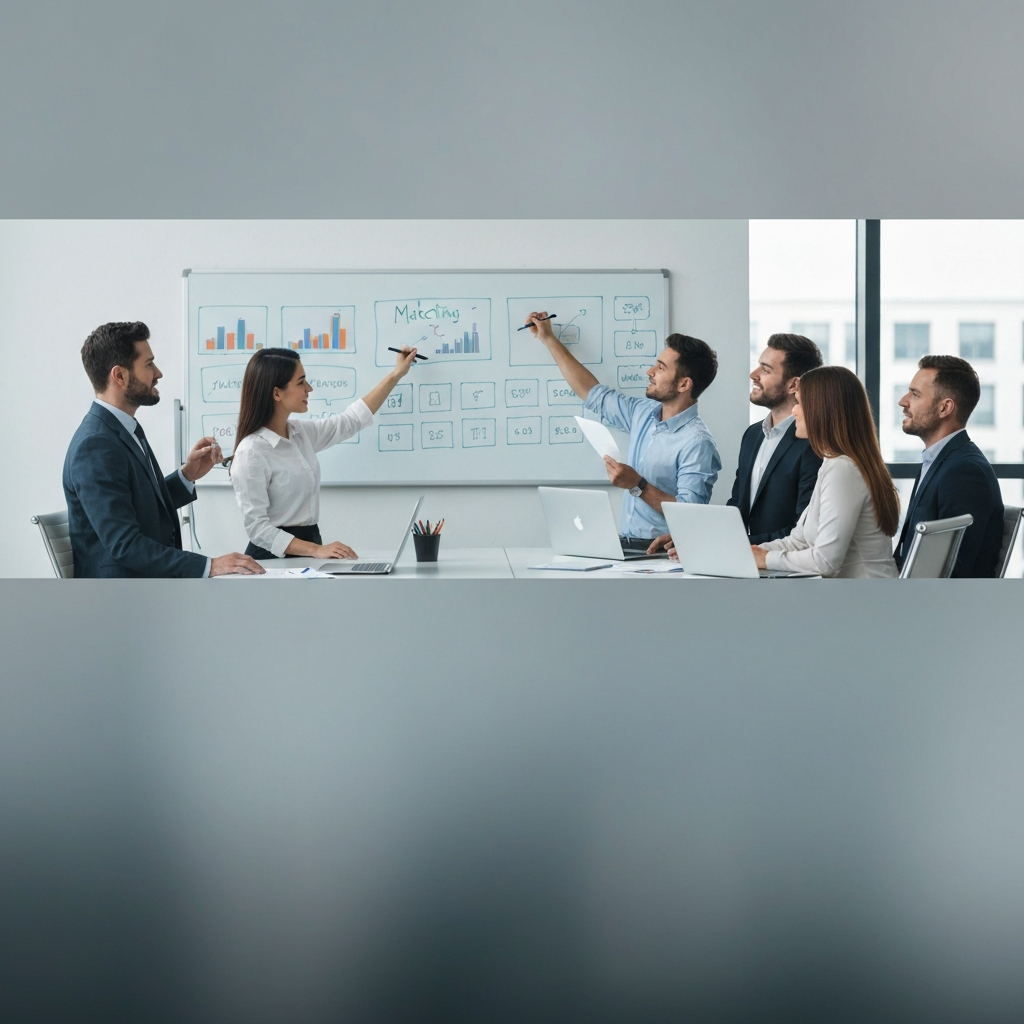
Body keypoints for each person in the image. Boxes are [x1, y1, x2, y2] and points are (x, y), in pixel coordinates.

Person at [64, 321, 263, 577]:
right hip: (121, 598)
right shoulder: (95, 445)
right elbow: (124, 544)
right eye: (148, 364)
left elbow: (139, 504)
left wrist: (186, 476)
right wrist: (209, 566)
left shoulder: (122, 429)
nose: (158, 373)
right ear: (120, 376)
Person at [526, 312, 721, 544]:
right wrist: (549, 339)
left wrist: (638, 485)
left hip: (664, 555)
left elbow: (692, 515)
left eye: (660, 368)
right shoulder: (643, 413)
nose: (650, 372)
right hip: (627, 544)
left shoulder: (697, 442)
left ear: (683, 384)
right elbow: (592, 393)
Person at [229, 345, 418, 560]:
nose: (309, 388)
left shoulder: (299, 433)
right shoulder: (251, 451)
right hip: (273, 561)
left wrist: (396, 374)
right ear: (276, 393)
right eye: (301, 382)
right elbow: (257, 529)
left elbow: (351, 420)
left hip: (309, 549)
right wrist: (316, 550)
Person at [647, 332, 822, 556]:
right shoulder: (753, 435)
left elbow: (802, 530)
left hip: (786, 570)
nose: (753, 374)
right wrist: (693, 536)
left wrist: (726, 545)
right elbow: (737, 508)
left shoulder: (812, 444)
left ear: (792, 385)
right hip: (751, 566)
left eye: (766, 370)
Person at [752, 366, 900, 578]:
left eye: (799, 403)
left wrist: (765, 558)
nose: (793, 411)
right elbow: (799, 541)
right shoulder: (835, 463)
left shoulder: (843, 469)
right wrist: (751, 552)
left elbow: (825, 561)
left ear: (822, 411)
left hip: (867, 602)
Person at [895, 355, 1004, 577]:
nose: (903, 401)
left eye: (915, 394)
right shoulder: (940, 461)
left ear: (945, 408)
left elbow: (950, 572)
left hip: (941, 606)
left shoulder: (964, 472)